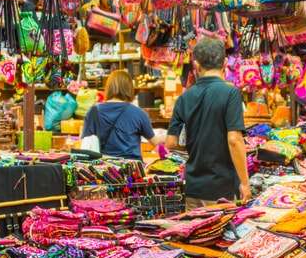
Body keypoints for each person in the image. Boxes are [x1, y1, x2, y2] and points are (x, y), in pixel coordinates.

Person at [166, 38, 250, 208]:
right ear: (225, 63)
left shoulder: (184, 98)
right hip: (222, 189)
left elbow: (171, 142)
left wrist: (197, 142)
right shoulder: (230, 93)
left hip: (193, 188)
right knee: (219, 234)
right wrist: (245, 183)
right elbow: (234, 140)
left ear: (196, 65)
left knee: (195, 232)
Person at [81, 69, 163, 160]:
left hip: (105, 169)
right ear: (129, 88)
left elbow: (86, 141)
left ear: (109, 87)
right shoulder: (139, 113)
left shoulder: (93, 111)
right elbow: (155, 142)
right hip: (132, 169)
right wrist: (168, 136)